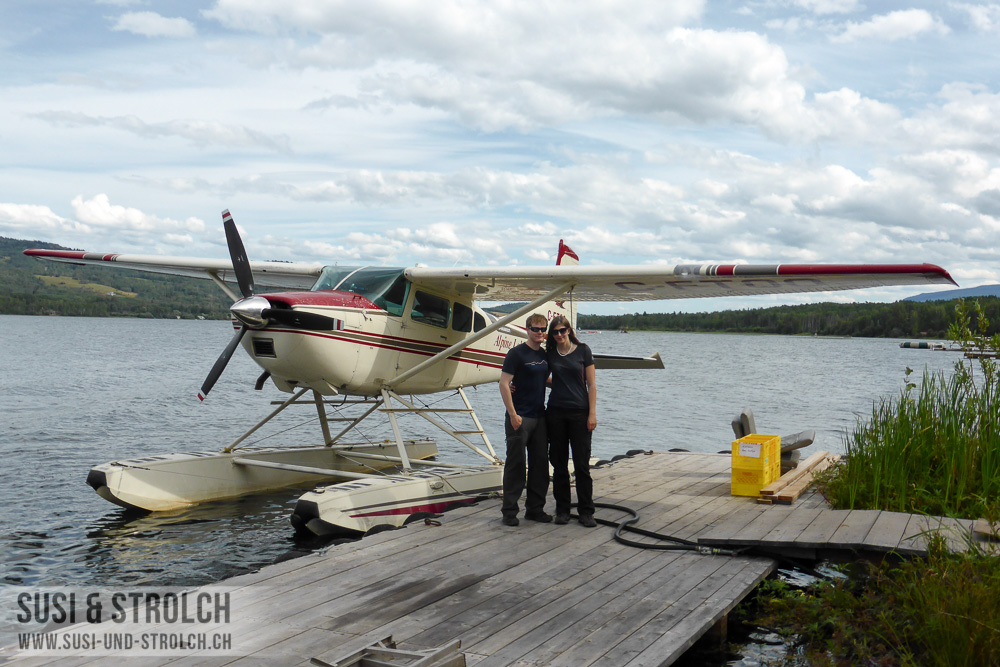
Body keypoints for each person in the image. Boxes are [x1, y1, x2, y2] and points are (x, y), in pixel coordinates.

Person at [498, 313, 553, 526]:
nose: (539, 333)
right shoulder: (516, 354)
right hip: (519, 416)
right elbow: (504, 384)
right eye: (535, 329)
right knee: (516, 464)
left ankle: (535, 509)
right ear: (527, 329)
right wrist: (512, 414)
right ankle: (509, 511)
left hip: (540, 416)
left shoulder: (546, 355)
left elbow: (543, 378)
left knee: (540, 464)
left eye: (543, 329)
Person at [545, 315, 598, 527]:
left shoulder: (584, 350)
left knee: (582, 465)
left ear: (569, 330)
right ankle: (563, 510)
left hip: (580, 413)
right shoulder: (550, 355)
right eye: (555, 332)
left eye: (562, 330)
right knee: (558, 464)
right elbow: (540, 376)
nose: (559, 335)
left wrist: (592, 414)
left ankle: (586, 511)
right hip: (556, 413)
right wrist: (515, 385)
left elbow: (592, 385)